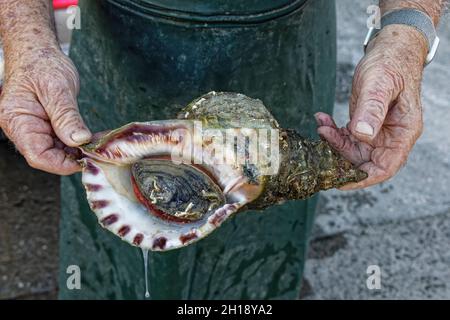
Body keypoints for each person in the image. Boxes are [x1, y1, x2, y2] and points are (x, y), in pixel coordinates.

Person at [0, 0, 444, 299]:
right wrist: (28, 46)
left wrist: (406, 33)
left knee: (257, 272)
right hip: (119, 47)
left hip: (286, 47)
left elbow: (408, 26)